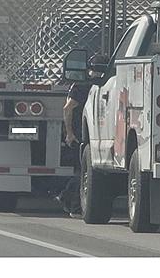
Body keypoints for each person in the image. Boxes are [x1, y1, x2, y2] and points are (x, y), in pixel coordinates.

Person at [54, 55, 106, 217]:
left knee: (81, 170)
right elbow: (68, 108)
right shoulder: (85, 86)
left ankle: (67, 199)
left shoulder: (88, 85)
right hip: (80, 133)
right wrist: (69, 133)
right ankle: (73, 204)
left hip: (88, 133)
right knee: (82, 171)